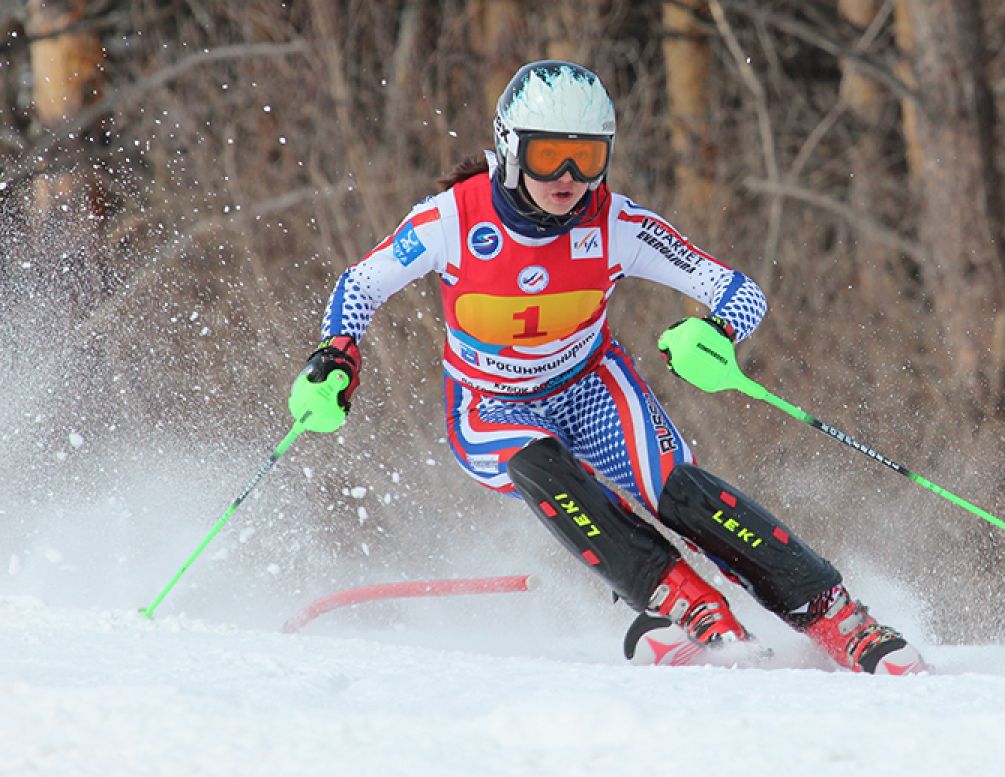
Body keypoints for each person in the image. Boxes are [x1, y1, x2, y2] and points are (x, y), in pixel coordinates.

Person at [290, 60, 928, 674]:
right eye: (548, 155)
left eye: (588, 157)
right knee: (539, 464)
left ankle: (836, 616)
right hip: (490, 404)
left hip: (591, 387)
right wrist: (336, 354)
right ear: (510, 148)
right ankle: (685, 606)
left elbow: (740, 291)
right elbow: (360, 284)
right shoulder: (452, 219)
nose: (568, 176)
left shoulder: (617, 223)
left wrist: (717, 332)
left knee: (675, 490)